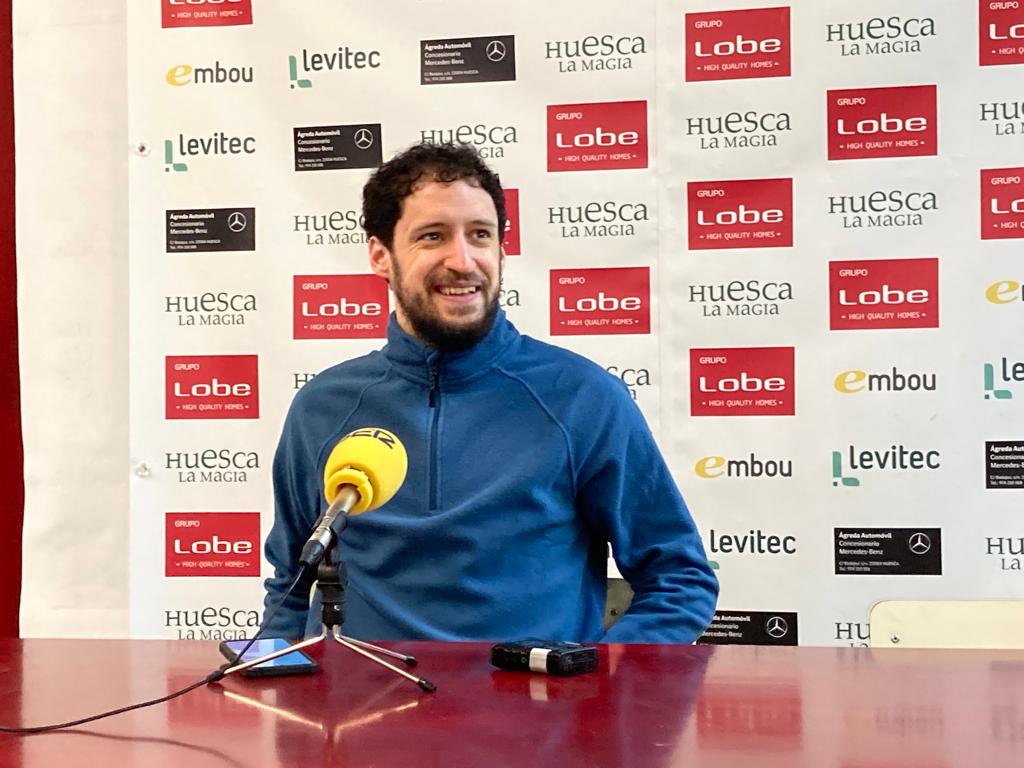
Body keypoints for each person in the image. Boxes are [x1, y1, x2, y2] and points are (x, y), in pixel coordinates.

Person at [262, 142, 718, 643]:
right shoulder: (323, 406)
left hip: (539, 716)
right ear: (380, 255)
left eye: (480, 235)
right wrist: (285, 686)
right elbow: (290, 581)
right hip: (359, 714)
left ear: (501, 250)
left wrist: (595, 688)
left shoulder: (583, 398)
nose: (463, 261)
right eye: (432, 237)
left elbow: (678, 581)